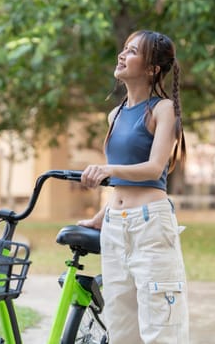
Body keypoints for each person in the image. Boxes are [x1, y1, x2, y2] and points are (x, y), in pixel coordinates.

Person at [78, 30, 189, 343]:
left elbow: (154, 168)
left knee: (160, 330)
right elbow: (122, 185)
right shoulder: (115, 114)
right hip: (116, 227)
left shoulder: (163, 110)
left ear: (152, 68)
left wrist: (107, 169)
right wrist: (101, 218)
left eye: (131, 51)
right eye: (123, 49)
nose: (121, 55)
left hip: (150, 226)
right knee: (122, 331)